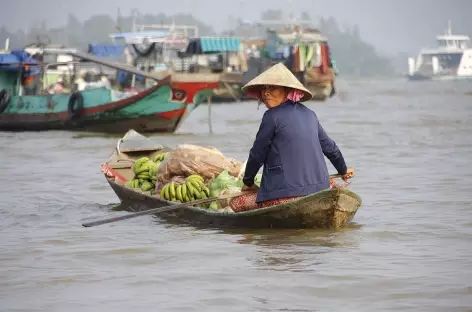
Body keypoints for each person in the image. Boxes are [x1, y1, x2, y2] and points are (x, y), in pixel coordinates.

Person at [230, 62, 354, 212]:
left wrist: (248, 182)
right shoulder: (310, 114)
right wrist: (343, 169)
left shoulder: (271, 116)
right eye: (264, 89)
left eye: (272, 88)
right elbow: (330, 148)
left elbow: (258, 154)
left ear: (287, 90)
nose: (266, 93)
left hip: (283, 195)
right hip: (320, 191)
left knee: (236, 203)